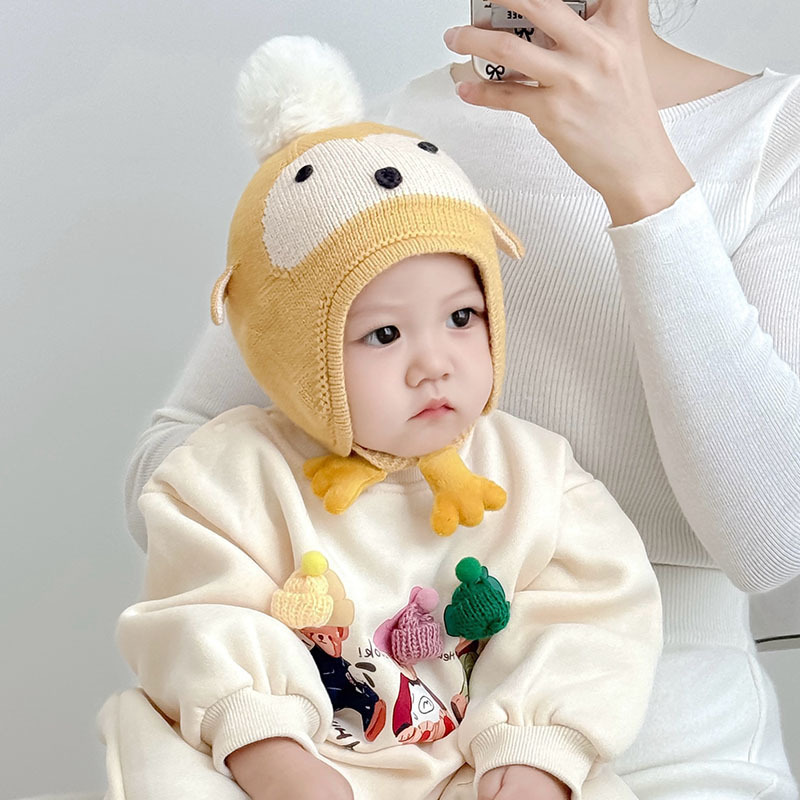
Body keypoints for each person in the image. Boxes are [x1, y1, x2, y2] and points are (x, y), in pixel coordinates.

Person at [122, 0, 800, 796]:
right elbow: (168, 468)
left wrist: (646, 184)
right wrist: (374, 569)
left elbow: (770, 544)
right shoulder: (389, 144)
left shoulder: (772, 134)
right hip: (349, 743)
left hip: (666, 744)